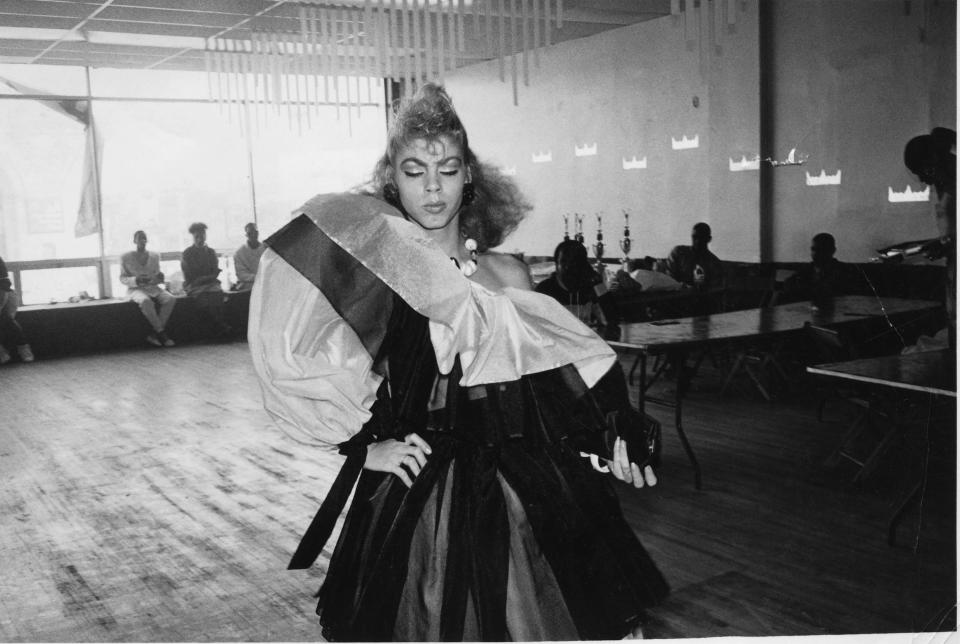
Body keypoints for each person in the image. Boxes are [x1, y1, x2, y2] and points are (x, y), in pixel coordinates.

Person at [248, 84, 667, 641]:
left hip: (529, 481)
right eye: (414, 169)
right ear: (390, 180)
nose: (432, 186)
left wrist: (607, 436)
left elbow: (552, 378)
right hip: (427, 494)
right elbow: (295, 352)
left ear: (469, 175)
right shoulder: (383, 275)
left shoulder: (509, 273)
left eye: (446, 168)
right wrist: (361, 445)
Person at [903, 127, 956, 350]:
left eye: (921, 171)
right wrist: (944, 244)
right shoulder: (946, 186)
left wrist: (948, 244)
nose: (921, 179)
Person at [535, 239, 609, 328]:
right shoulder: (544, 290)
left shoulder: (590, 288)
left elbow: (608, 320)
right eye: (564, 261)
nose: (568, 267)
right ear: (556, 263)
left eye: (575, 262)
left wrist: (598, 283)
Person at [120, 230, 175, 347]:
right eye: (140, 238)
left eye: (144, 238)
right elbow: (122, 278)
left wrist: (159, 278)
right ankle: (161, 333)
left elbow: (157, 274)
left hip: (152, 287)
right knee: (145, 301)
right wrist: (136, 280)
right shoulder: (126, 257)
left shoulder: (154, 256)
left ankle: (154, 334)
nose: (142, 241)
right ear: (134, 241)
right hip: (135, 289)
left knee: (170, 299)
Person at [181, 222, 232, 339]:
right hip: (194, 285)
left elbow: (215, 271)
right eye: (197, 237)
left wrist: (207, 277)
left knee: (217, 296)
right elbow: (189, 275)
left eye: (202, 236)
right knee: (204, 299)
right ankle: (220, 327)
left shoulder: (211, 252)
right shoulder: (187, 253)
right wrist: (206, 277)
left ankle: (218, 328)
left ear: (205, 236)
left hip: (210, 283)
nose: (200, 239)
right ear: (193, 238)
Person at [782, 233, 853, 308]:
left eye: (820, 250)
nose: (815, 253)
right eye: (813, 249)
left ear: (832, 251)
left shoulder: (843, 270)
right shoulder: (807, 268)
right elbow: (788, 283)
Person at [664, 222, 725, 290]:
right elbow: (668, 278)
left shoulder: (714, 263)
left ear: (709, 239)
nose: (697, 241)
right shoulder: (678, 252)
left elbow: (714, 289)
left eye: (702, 237)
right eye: (695, 237)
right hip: (673, 294)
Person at [0, 255, 34, 364]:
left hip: (5, 293)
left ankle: (20, 350)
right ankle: (6, 353)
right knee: (6, 320)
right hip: (5, 292)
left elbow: (4, 284)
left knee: (6, 320)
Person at [233, 222, 265, 291]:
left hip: (265, 284)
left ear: (258, 233)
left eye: (255, 232)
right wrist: (258, 277)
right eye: (250, 233)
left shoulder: (266, 249)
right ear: (246, 235)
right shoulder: (239, 253)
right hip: (247, 287)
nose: (253, 235)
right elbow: (241, 274)